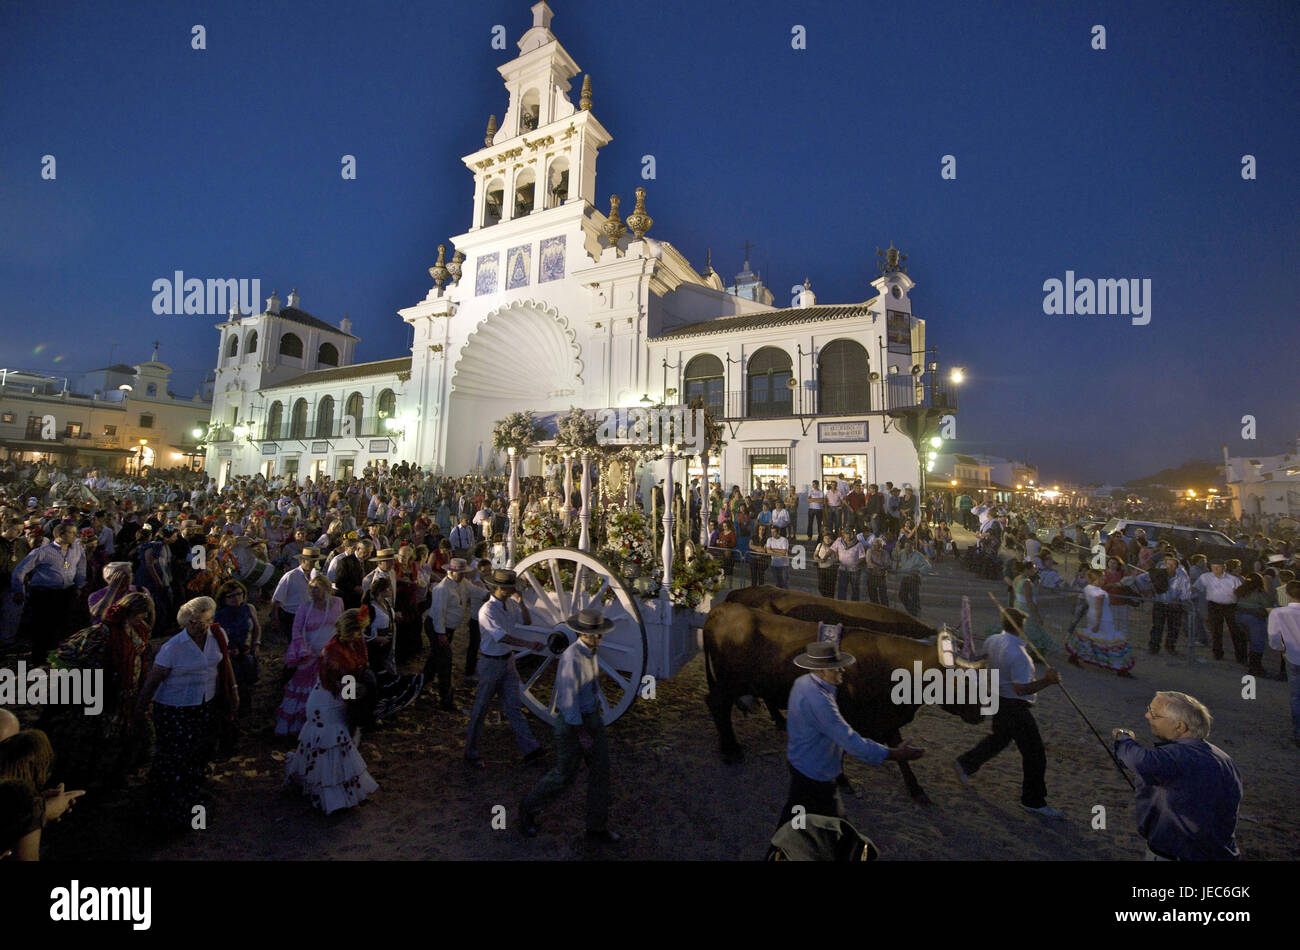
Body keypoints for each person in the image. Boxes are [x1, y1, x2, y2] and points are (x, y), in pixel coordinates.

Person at [779, 640, 923, 826]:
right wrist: (895, 753)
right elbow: (853, 743)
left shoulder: (803, 683)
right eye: (836, 668)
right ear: (822, 672)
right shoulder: (820, 702)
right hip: (815, 770)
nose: (842, 671)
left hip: (802, 762)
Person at [135, 597, 238, 832]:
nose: (202, 626)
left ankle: (193, 795)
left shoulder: (217, 637)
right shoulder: (173, 647)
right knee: (176, 756)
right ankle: (172, 807)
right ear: (187, 622)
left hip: (205, 703)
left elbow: (226, 663)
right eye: (197, 622)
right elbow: (153, 681)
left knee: (199, 751)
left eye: (207, 620)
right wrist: (140, 710)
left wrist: (233, 690)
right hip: (176, 708)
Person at [520, 609, 620, 842]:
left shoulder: (592, 651)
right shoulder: (571, 657)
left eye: (600, 634)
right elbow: (567, 702)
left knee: (601, 772)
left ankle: (596, 827)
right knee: (564, 775)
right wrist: (582, 733)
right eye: (596, 634)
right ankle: (528, 808)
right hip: (574, 724)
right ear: (583, 634)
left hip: (592, 717)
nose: (600, 638)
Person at [955, 607, 1065, 819]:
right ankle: (1033, 800)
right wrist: (1048, 681)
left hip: (998, 699)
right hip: (1014, 705)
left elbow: (983, 661)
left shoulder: (993, 640)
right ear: (1020, 626)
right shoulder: (1019, 655)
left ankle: (965, 764)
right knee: (1034, 753)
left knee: (999, 739)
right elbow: (1021, 689)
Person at [39, 592, 155, 790]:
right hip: (102, 691)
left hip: (127, 693)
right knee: (95, 737)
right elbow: (67, 650)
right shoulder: (102, 632)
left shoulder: (139, 630)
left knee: (124, 736)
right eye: (141, 613)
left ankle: (113, 775)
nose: (143, 617)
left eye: (145, 614)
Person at [1113, 691, 1243, 860]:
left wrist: (1124, 738)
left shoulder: (1178, 756)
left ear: (1180, 726)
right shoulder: (1224, 759)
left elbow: (1138, 760)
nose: (1147, 716)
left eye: (1154, 714)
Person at [283, 607, 379, 814]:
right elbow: (336, 686)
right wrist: (358, 692)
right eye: (358, 631)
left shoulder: (355, 643)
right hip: (327, 702)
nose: (361, 634)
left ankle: (340, 793)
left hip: (342, 697)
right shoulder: (331, 652)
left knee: (339, 744)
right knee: (333, 744)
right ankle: (331, 797)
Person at [463, 568, 545, 769]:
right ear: (498, 588)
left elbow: (526, 621)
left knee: (514, 707)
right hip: (490, 663)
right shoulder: (487, 611)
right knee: (481, 708)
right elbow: (502, 636)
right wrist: (528, 645)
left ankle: (530, 749)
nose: (511, 590)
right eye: (509, 588)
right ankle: (470, 752)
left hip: (507, 661)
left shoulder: (509, 604)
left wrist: (521, 602)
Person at [275, 574, 343, 737]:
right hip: (311, 654)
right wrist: (303, 649)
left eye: (316, 588)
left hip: (332, 654)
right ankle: (302, 725)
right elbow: (296, 629)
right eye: (310, 588)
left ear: (326, 589)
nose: (312, 592)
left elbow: (341, 626)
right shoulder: (305, 607)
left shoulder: (338, 603)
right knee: (307, 689)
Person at [11, 521, 86, 661]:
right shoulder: (43, 552)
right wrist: (18, 590)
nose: (75, 536)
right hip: (44, 594)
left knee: (64, 626)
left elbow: (81, 568)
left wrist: (79, 586)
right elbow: (20, 571)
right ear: (59, 535)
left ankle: (58, 657)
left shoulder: (77, 549)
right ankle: (39, 657)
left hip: (66, 593)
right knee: (43, 627)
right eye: (72, 532)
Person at [1065, 568, 1134, 676]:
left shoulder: (1088, 588)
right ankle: (1120, 668)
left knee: (1091, 637)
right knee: (1110, 641)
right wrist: (1097, 623)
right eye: (1102, 578)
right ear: (1096, 579)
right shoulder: (1100, 592)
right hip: (1103, 619)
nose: (1104, 579)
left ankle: (1075, 656)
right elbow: (1099, 609)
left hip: (1093, 616)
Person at [424, 557, 470, 711]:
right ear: (450, 572)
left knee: (436, 656)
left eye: (463, 573)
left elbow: (473, 590)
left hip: (446, 629)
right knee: (445, 661)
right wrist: (441, 634)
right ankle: (446, 698)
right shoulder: (442, 589)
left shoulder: (461, 583)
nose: (462, 575)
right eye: (459, 573)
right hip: (438, 628)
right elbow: (438, 614)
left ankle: (423, 683)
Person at [213, 580, 260, 718]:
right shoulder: (219, 615)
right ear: (224, 598)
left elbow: (256, 627)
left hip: (247, 653)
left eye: (239, 594)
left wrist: (256, 644)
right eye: (231, 596)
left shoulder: (249, 608)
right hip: (229, 656)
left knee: (248, 685)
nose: (236, 598)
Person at [1266, 580, 1300, 747]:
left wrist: (1281, 648)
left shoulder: (1278, 613)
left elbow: (1273, 639)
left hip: (1292, 656)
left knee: (1296, 696)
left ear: (1287, 594)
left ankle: (1298, 732)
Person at [271, 547, 319, 646]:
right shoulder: (290, 576)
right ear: (303, 561)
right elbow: (276, 601)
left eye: (315, 562)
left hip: (309, 614)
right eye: (311, 561)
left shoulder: (316, 576)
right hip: (291, 616)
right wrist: (276, 620)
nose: (313, 564)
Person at [1011, 560, 1055, 656]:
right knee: (1031, 630)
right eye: (1033, 568)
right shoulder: (1026, 582)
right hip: (1026, 609)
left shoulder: (1017, 578)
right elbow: (1029, 601)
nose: (1035, 570)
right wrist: (1038, 616)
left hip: (1018, 605)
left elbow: (1016, 594)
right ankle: (1030, 652)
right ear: (1027, 569)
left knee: (1022, 629)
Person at [892, 539, 931, 617]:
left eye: (909, 547)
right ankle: (912, 611)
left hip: (913, 577)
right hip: (905, 576)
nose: (907, 548)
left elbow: (928, 566)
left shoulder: (918, 555)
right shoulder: (902, 552)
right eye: (906, 547)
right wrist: (896, 549)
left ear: (912, 547)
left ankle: (916, 612)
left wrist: (919, 571)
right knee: (902, 595)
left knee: (914, 596)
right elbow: (895, 558)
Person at [831, 529, 864, 601]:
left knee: (855, 589)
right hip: (842, 570)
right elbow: (832, 549)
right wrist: (834, 556)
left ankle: (854, 605)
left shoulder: (858, 544)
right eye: (846, 534)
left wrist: (856, 563)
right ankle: (841, 604)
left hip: (854, 571)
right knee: (842, 588)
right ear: (843, 534)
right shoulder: (839, 541)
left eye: (850, 534)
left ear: (853, 534)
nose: (848, 535)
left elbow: (862, 557)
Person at [863, 537, 889, 606]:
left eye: (876, 545)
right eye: (873, 545)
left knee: (883, 595)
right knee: (872, 595)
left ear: (880, 546)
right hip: (872, 575)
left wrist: (881, 568)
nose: (873, 546)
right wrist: (878, 567)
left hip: (881, 576)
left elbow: (886, 563)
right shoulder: (869, 551)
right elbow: (868, 562)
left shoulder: (885, 553)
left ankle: (885, 609)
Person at [814, 532, 838, 599]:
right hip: (821, 568)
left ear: (832, 539)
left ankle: (830, 600)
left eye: (829, 538)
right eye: (825, 538)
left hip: (831, 569)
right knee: (821, 585)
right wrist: (818, 559)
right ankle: (824, 598)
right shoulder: (820, 545)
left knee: (830, 586)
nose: (827, 540)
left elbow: (837, 558)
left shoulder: (835, 546)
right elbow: (815, 555)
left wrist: (830, 560)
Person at [766, 525, 790, 589]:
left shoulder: (784, 540)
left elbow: (784, 552)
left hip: (783, 565)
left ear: (778, 532)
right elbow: (768, 551)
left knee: (784, 583)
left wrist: (773, 549)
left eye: (774, 532)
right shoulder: (769, 539)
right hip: (774, 564)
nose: (772, 534)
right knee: (777, 583)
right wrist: (779, 551)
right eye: (771, 532)